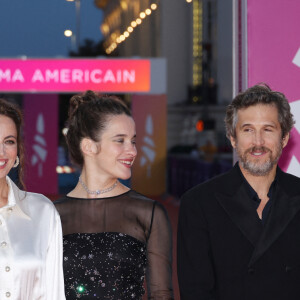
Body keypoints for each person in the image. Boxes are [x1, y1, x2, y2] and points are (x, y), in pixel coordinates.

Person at [177, 83, 300, 300]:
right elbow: (195, 291)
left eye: (268, 130)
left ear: (284, 139)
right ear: (233, 139)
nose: (258, 142)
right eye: (248, 130)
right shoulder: (198, 203)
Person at [55, 90, 173, 299]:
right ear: (89, 146)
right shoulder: (53, 215)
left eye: (133, 141)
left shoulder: (147, 213)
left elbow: (161, 294)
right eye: (120, 141)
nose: (133, 151)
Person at [0, 98, 65, 300]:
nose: (1, 152)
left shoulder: (43, 211)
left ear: (17, 150)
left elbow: (54, 292)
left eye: (8, 141)